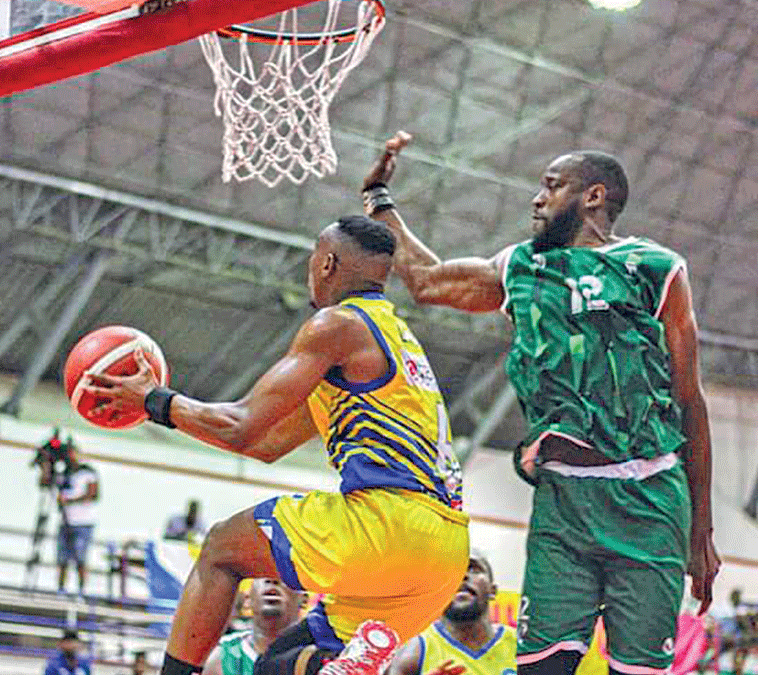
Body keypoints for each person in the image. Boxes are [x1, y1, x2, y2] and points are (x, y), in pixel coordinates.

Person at [362, 132, 721, 675]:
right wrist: (379, 201)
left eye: (552, 187)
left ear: (594, 196)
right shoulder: (522, 267)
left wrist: (703, 531)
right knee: (540, 668)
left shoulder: (656, 268)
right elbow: (428, 283)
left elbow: (690, 403)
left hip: (649, 500)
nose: (537, 199)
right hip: (564, 504)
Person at [88, 215, 468, 675]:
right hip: (443, 557)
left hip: (390, 525)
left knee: (222, 549)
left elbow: (242, 424)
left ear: (326, 263)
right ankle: (346, 666)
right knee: (274, 667)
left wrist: (153, 401)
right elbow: (266, 444)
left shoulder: (338, 325)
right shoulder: (395, 339)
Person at [387, 553, 515, 675]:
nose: (461, 575)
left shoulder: (520, 645)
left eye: (473, 569)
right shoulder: (413, 652)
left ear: (492, 590)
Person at [204, 579, 306, 675]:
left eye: (282, 575)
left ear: (304, 598)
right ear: (247, 599)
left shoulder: (316, 654)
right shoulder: (223, 655)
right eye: (261, 574)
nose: (271, 580)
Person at [56, 445, 100, 596]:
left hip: (83, 522)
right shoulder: (63, 474)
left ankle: (81, 591)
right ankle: (61, 590)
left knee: (80, 558)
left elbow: (92, 495)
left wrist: (68, 500)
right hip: (65, 521)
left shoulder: (88, 473)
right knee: (62, 558)